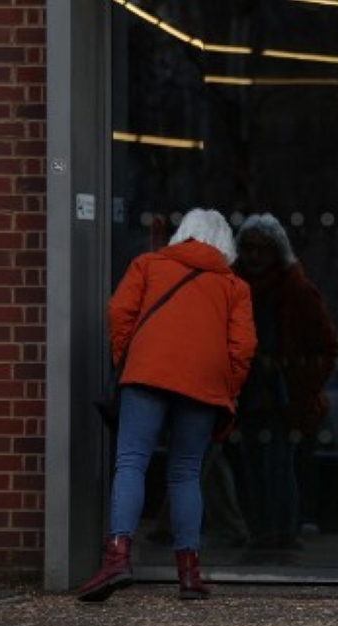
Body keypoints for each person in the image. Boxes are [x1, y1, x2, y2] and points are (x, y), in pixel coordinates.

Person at [77, 208, 257, 602]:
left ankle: (118, 558)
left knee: (131, 462)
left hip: (147, 376)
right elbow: (243, 347)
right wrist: (226, 385)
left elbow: (118, 311)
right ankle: (189, 574)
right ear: (224, 244)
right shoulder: (234, 287)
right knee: (186, 473)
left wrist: (132, 356)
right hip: (204, 384)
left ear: (184, 234)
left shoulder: (148, 265)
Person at [233, 213, 338, 549]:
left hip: (282, 394)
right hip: (244, 391)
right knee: (249, 465)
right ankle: (259, 531)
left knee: (278, 464)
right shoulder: (232, 288)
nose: (254, 256)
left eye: (262, 249)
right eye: (248, 248)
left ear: (276, 252)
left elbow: (328, 345)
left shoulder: (297, 291)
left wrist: (302, 381)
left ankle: (281, 532)